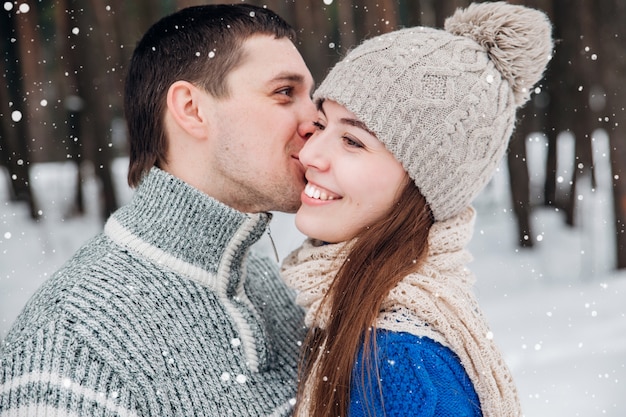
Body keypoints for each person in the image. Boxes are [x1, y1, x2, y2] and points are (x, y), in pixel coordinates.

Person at [0, 4, 316, 416]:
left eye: (311, 95)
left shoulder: (271, 283)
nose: (315, 119)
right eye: (285, 93)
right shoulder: (72, 346)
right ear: (191, 109)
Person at [280, 2, 553, 417]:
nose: (311, 153)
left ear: (424, 185)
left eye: (353, 142)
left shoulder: (404, 361)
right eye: (320, 125)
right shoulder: (343, 308)